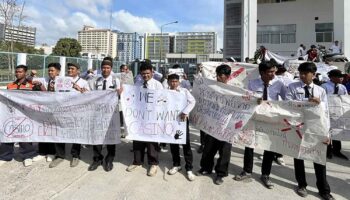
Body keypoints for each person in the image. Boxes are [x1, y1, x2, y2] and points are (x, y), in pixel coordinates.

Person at [234, 61, 287, 189]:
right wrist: (254, 100)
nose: (273, 74)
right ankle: (247, 171)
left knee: (269, 147)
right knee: (249, 145)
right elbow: (246, 99)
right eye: (270, 72)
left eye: (274, 71)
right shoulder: (252, 83)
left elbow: (286, 101)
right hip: (254, 119)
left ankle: (265, 174)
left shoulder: (279, 84)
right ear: (262, 73)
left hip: (271, 120)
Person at [286, 62, 334, 200]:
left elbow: (326, 113)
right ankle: (301, 184)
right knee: (299, 157)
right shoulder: (292, 87)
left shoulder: (321, 91)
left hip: (317, 129)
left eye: (305, 73)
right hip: (299, 128)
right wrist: (307, 101)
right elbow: (288, 105)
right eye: (300, 73)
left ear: (313, 75)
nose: (301, 76)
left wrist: (328, 133)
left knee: (319, 159)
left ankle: (324, 190)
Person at [126, 61, 164, 177]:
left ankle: (153, 163)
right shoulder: (137, 84)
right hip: (139, 117)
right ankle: (137, 161)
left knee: (152, 142)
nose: (145, 76)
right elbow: (132, 98)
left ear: (152, 72)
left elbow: (162, 100)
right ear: (140, 74)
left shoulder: (157, 85)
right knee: (138, 140)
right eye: (143, 74)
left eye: (147, 73)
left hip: (152, 117)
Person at [197, 64, 233, 185]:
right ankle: (206, 168)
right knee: (208, 148)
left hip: (227, 126)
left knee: (225, 151)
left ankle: (220, 174)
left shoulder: (235, 90)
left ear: (228, 76)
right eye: (217, 75)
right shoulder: (211, 87)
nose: (218, 78)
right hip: (212, 123)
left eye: (221, 75)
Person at [49, 63, 90, 168]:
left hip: (76, 112)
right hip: (61, 111)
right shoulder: (61, 80)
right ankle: (59, 155)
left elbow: (89, 96)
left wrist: (80, 89)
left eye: (72, 69)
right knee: (59, 132)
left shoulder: (84, 82)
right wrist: (53, 88)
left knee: (75, 133)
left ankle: (75, 155)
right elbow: (56, 94)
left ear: (78, 71)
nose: (70, 70)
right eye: (68, 69)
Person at [0, 65, 39, 167]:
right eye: (17, 72)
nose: (18, 74)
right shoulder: (10, 86)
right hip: (11, 114)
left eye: (20, 72)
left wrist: (38, 85)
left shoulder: (32, 85)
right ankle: (5, 156)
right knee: (8, 134)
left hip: (26, 115)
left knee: (24, 136)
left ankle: (28, 156)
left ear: (25, 73)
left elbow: (41, 96)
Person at [88, 59, 122, 172]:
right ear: (101, 68)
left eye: (108, 68)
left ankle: (109, 159)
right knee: (96, 137)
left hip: (111, 114)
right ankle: (97, 159)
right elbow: (90, 94)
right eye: (103, 67)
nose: (105, 70)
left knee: (110, 137)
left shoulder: (115, 81)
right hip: (97, 113)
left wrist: (120, 93)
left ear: (111, 69)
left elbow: (120, 96)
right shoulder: (95, 80)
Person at [166, 74, 196, 181]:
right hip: (170, 121)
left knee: (186, 144)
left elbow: (192, 101)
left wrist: (185, 111)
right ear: (168, 82)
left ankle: (189, 168)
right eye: (171, 81)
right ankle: (176, 164)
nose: (173, 83)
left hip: (182, 121)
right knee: (173, 143)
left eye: (175, 81)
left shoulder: (184, 91)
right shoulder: (165, 91)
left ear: (179, 82)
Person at [32, 63, 62, 162]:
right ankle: (42, 152)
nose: (50, 72)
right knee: (42, 130)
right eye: (49, 70)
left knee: (53, 131)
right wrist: (32, 75)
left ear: (58, 71)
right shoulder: (44, 80)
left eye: (52, 70)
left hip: (57, 110)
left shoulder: (63, 81)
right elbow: (29, 79)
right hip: (44, 110)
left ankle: (52, 152)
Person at [322, 69, 349, 160]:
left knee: (337, 130)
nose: (341, 78)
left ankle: (337, 150)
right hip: (327, 112)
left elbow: (345, 99)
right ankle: (327, 150)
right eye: (339, 77)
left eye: (342, 77)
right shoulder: (324, 86)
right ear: (332, 77)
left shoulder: (342, 87)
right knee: (327, 132)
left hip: (338, 113)